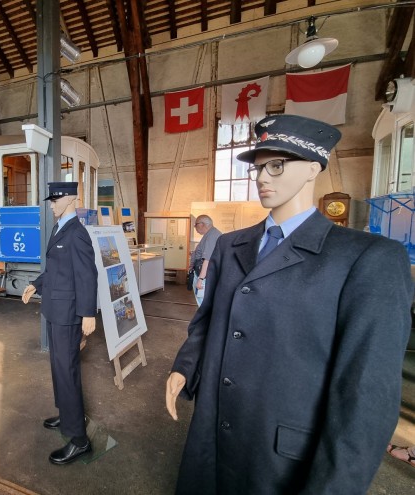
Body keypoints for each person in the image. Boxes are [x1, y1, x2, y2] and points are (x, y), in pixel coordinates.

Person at [165, 114, 412, 494]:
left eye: (277, 165)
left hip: (282, 457)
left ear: (314, 168)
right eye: (259, 168)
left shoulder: (367, 259)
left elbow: (365, 395)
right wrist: (185, 366)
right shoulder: (232, 245)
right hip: (213, 432)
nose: (263, 177)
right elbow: (209, 318)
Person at [22, 181, 98, 465]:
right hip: (56, 310)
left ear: (69, 199)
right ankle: (67, 414)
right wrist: (35, 283)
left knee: (67, 371)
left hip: (68, 315)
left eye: (55, 200)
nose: (51, 204)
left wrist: (88, 313)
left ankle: (79, 440)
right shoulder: (60, 227)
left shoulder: (77, 233)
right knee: (59, 368)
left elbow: (87, 275)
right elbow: (55, 270)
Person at [187, 215, 221, 306]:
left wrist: (200, 279)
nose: (195, 227)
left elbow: (207, 259)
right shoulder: (210, 234)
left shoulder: (212, 235)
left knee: (202, 301)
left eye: (196, 225)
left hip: (204, 275)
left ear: (202, 224)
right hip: (202, 273)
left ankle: (204, 319)